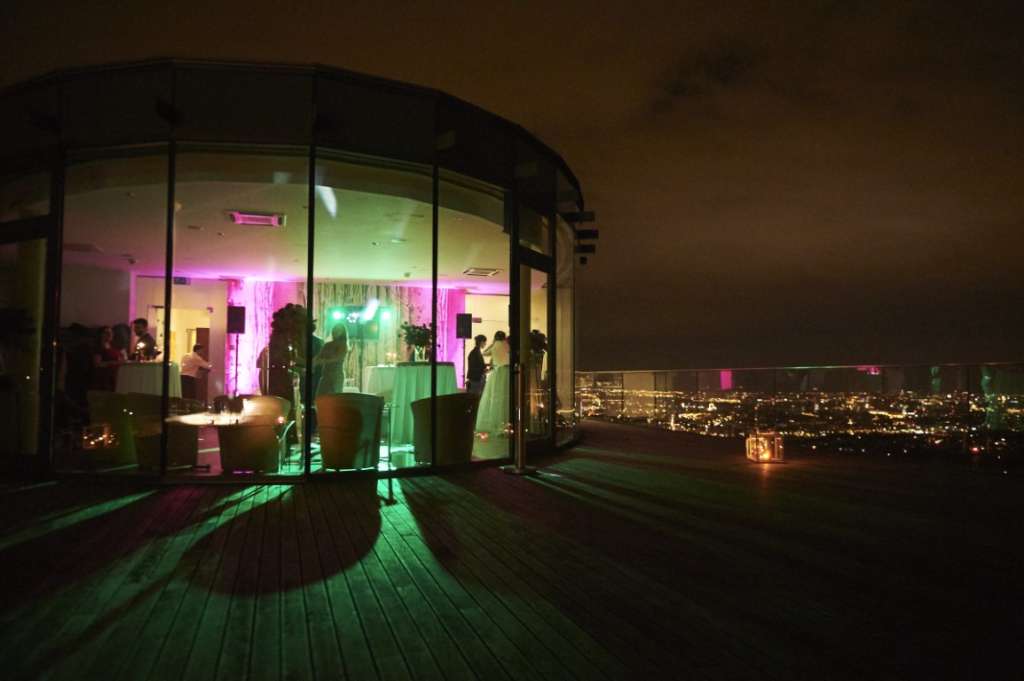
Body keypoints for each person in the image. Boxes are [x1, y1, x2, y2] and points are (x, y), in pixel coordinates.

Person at [475, 331, 510, 435]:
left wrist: (492, 343)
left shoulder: (494, 346)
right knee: (505, 397)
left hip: (497, 374)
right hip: (506, 373)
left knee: (493, 397)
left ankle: (494, 421)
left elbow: (484, 352)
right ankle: (505, 422)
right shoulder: (507, 346)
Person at [314, 323, 349, 396]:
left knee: (335, 398)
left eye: (338, 330)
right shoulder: (327, 344)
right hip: (326, 374)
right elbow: (319, 357)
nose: (336, 331)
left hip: (336, 375)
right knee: (321, 397)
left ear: (342, 333)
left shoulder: (343, 345)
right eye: (335, 329)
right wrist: (315, 361)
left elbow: (338, 358)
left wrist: (324, 360)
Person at [91, 325, 125, 391]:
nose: (110, 334)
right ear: (101, 335)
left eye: (111, 332)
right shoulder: (98, 347)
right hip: (103, 378)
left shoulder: (113, 346)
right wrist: (113, 363)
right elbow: (97, 364)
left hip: (113, 376)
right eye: (107, 332)